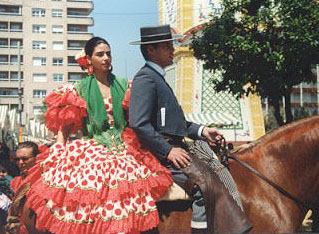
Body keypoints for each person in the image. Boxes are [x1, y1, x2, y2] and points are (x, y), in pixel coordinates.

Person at [24, 37, 173, 233]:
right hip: (92, 147)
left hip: (124, 146)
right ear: (89, 59)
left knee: (131, 198)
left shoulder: (124, 85)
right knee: (86, 201)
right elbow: (66, 124)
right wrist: (59, 148)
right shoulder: (78, 89)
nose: (106, 58)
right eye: (100, 54)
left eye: (108, 54)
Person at [129, 25, 252, 233]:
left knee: (222, 170)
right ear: (151, 50)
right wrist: (167, 150)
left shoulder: (158, 78)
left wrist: (203, 130)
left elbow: (178, 125)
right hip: (162, 154)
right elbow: (138, 123)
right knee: (203, 187)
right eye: (167, 46)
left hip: (178, 149)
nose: (173, 50)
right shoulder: (146, 78)